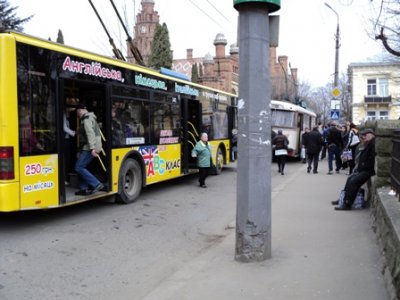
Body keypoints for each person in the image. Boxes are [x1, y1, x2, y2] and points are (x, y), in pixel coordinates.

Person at [332, 128, 376, 210]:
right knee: (350, 179)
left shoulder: (372, 143)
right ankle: (343, 199)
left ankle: (347, 203)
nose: (362, 138)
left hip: (366, 169)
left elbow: (369, 158)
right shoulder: (366, 142)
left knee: (353, 181)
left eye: (364, 136)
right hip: (360, 165)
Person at [74, 103, 104, 196]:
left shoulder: (86, 119)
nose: (77, 114)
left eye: (77, 112)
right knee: (81, 166)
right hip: (88, 146)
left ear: (80, 110)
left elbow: (90, 134)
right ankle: (84, 189)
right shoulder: (90, 117)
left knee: (78, 167)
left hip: (90, 147)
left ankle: (96, 184)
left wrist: (92, 148)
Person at [64, 103, 76, 185]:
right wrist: (74, 133)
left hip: (67, 139)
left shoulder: (66, 115)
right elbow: (64, 128)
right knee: (65, 159)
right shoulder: (62, 115)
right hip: (64, 140)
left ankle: (67, 177)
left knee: (68, 158)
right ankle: (65, 178)